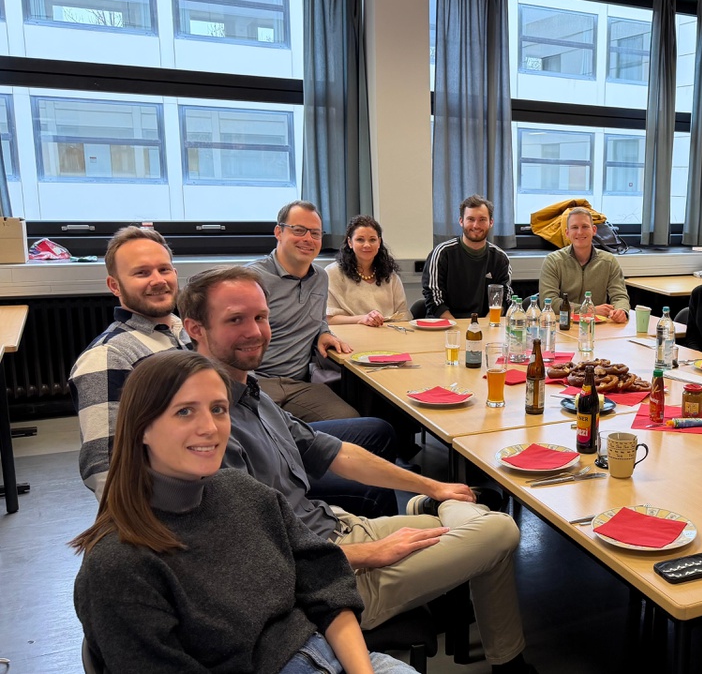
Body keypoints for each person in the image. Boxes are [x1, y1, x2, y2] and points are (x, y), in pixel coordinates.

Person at [176, 268, 535, 673]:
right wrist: (370, 553)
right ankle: (435, 515)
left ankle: (507, 662)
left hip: (335, 528)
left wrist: (434, 486)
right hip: (322, 579)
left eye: (261, 317)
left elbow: (337, 453)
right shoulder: (206, 431)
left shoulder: (253, 394)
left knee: (481, 521)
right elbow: (255, 559)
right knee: (499, 530)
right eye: (235, 320)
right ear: (195, 329)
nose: (256, 331)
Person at [71, 350, 414, 674]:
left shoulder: (244, 492)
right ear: (142, 427)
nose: (210, 427)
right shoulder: (119, 565)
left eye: (218, 409)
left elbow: (327, 586)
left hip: (337, 656)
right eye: (184, 411)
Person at [71, 226, 187, 500]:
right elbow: (104, 467)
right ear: (114, 286)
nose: (158, 280)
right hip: (170, 502)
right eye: (142, 273)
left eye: (164, 269)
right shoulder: (108, 356)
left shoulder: (187, 332)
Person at [246, 200, 358, 423]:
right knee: (261, 432)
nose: (308, 239)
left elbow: (318, 317)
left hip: (299, 384)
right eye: (299, 230)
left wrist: (323, 332)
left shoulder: (320, 277)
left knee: (353, 423)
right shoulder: (252, 279)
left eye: (315, 233)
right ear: (278, 232)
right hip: (256, 381)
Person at [422, 194, 513, 319]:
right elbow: (433, 297)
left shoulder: (500, 259)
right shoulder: (442, 253)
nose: (476, 225)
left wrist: (487, 325)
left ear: (491, 222)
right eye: (471, 219)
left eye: (482, 220)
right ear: (461, 221)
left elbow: (504, 299)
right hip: (445, 325)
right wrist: (458, 327)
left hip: (484, 325)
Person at [538, 207, 630, 322]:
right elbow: (549, 302)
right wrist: (589, 310)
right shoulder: (553, 261)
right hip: (563, 325)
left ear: (594, 230)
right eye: (574, 227)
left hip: (597, 327)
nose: (580, 232)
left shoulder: (609, 261)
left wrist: (621, 310)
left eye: (585, 226)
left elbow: (619, 296)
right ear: (567, 233)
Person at [326, 215, 410, 327]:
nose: (367, 245)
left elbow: (403, 316)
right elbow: (328, 319)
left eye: (372, 240)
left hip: (386, 334)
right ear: (350, 242)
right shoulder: (332, 273)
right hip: (349, 335)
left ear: (379, 242)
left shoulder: (390, 276)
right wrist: (362, 319)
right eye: (360, 240)